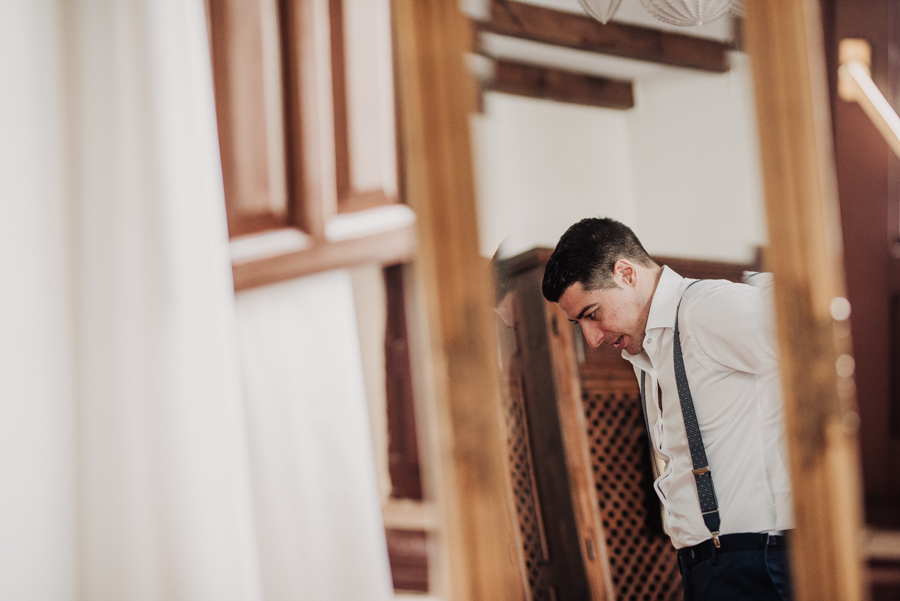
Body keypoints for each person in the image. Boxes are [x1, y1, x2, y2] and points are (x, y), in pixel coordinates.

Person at [541, 217, 793, 601]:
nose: (591, 339)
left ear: (625, 273)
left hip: (755, 562)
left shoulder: (705, 310)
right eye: (579, 325)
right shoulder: (649, 349)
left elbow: (810, 350)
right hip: (709, 567)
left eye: (592, 314)